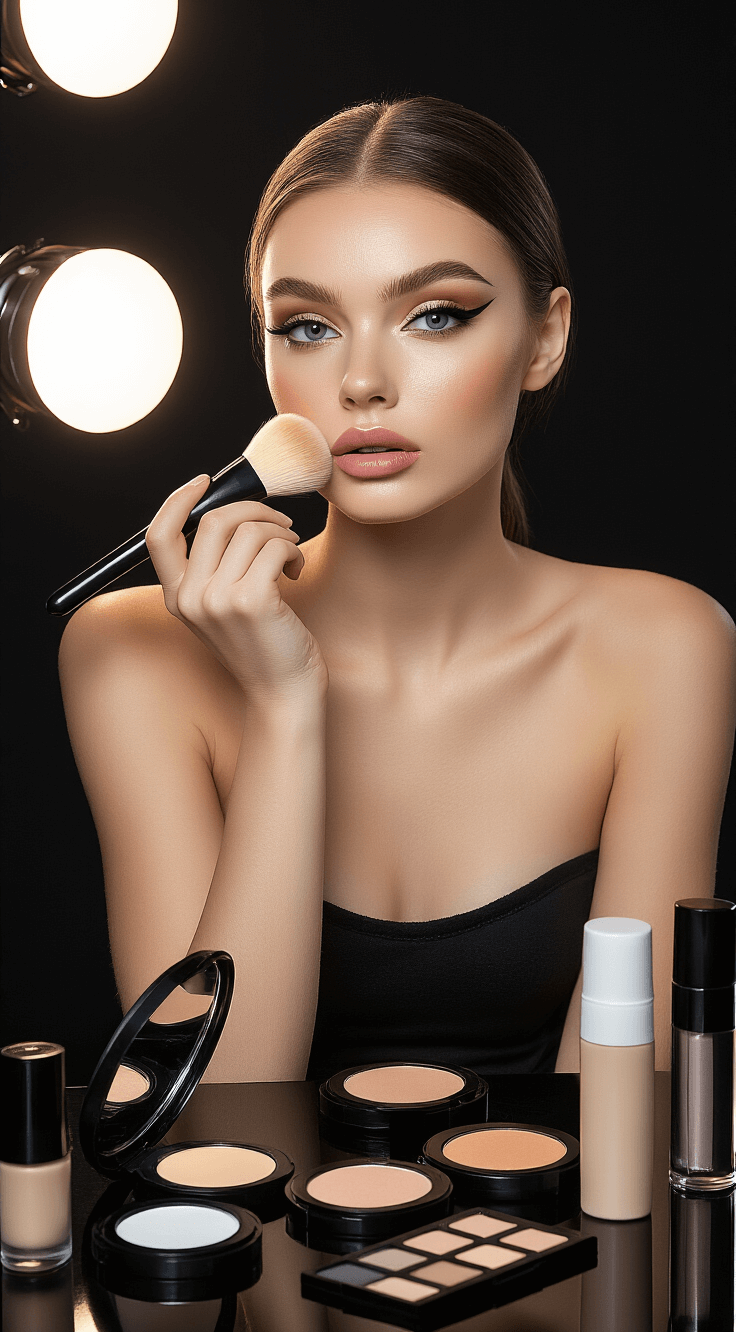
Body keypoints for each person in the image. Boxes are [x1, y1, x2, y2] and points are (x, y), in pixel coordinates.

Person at [58, 97, 735, 1082]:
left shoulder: (665, 649)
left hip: (560, 1231)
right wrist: (287, 708)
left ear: (544, 339)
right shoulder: (132, 651)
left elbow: (619, 1116)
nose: (362, 381)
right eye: (307, 327)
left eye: (434, 315)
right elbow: (214, 1115)